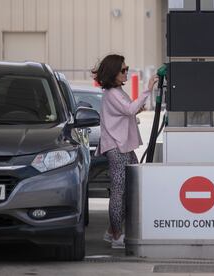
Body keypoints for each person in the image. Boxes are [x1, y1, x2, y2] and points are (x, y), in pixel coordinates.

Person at [92, 54, 158, 249]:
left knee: (128, 187)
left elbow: (127, 111)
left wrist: (136, 109)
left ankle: (112, 231)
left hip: (123, 145)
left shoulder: (117, 92)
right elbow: (129, 110)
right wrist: (148, 89)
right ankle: (116, 235)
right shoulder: (112, 94)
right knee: (120, 190)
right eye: (123, 70)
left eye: (127, 68)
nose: (126, 72)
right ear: (113, 73)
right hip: (117, 147)